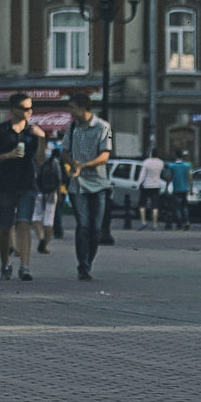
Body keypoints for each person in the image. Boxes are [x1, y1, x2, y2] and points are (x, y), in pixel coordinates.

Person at [0, 92, 46, 281]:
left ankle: (25, 266)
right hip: (5, 184)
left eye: (31, 108)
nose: (30, 112)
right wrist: (8, 155)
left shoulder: (33, 131)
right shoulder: (0, 130)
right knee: (6, 226)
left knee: (24, 223)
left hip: (27, 183)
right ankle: (5, 263)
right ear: (14, 110)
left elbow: (40, 161)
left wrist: (42, 139)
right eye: (25, 108)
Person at [60, 92, 112, 281]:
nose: (70, 111)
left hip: (98, 182)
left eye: (72, 107)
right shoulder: (72, 127)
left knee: (96, 228)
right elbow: (64, 151)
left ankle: (89, 261)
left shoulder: (103, 127)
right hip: (78, 184)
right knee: (83, 225)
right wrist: (71, 162)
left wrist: (84, 165)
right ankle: (83, 266)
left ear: (82, 108)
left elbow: (105, 156)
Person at [33, 144, 64, 254]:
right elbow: (59, 178)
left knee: (36, 217)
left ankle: (41, 237)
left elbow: (33, 177)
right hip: (51, 193)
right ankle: (46, 245)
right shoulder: (54, 161)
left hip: (38, 192)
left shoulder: (35, 160)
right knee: (49, 220)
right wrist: (59, 194)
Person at [138, 148, 166, 230]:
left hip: (146, 185)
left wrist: (139, 184)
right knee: (155, 206)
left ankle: (143, 222)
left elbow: (142, 175)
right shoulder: (161, 163)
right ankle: (155, 224)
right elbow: (162, 174)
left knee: (142, 204)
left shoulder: (146, 162)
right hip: (156, 185)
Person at [166, 150, 194, 230]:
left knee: (177, 208)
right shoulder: (186, 165)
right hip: (185, 189)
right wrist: (191, 189)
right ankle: (187, 221)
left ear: (176, 157)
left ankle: (179, 225)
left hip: (176, 189)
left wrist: (167, 187)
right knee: (184, 206)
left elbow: (169, 177)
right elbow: (190, 177)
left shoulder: (172, 166)